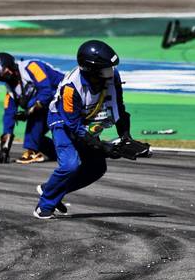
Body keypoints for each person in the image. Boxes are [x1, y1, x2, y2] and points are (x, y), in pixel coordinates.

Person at [34, 40, 140, 220]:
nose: (110, 72)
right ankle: (44, 206)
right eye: (105, 68)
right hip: (62, 120)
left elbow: (118, 107)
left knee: (96, 167)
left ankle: (50, 189)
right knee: (70, 165)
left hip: (86, 116)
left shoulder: (112, 76)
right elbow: (74, 127)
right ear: (90, 70)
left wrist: (125, 137)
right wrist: (103, 147)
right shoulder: (70, 88)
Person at [0, 52, 63, 164]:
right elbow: (9, 115)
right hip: (48, 107)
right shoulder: (10, 90)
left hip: (64, 98)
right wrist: (5, 148)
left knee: (33, 105)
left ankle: (32, 150)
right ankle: (58, 153)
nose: (3, 78)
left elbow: (46, 92)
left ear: (10, 65)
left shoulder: (31, 67)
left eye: (3, 74)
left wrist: (29, 112)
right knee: (37, 139)